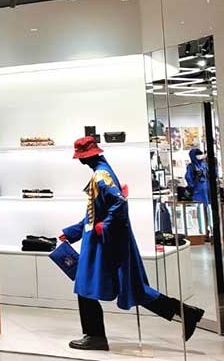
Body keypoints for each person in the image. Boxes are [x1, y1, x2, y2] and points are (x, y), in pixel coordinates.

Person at [59, 136, 204, 351]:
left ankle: (95, 336)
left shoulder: (101, 175)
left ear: (84, 158)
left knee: (85, 286)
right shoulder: (103, 172)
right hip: (107, 240)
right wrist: (73, 232)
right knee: (133, 289)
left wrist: (104, 226)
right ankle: (186, 312)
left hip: (104, 244)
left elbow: (118, 204)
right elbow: (97, 213)